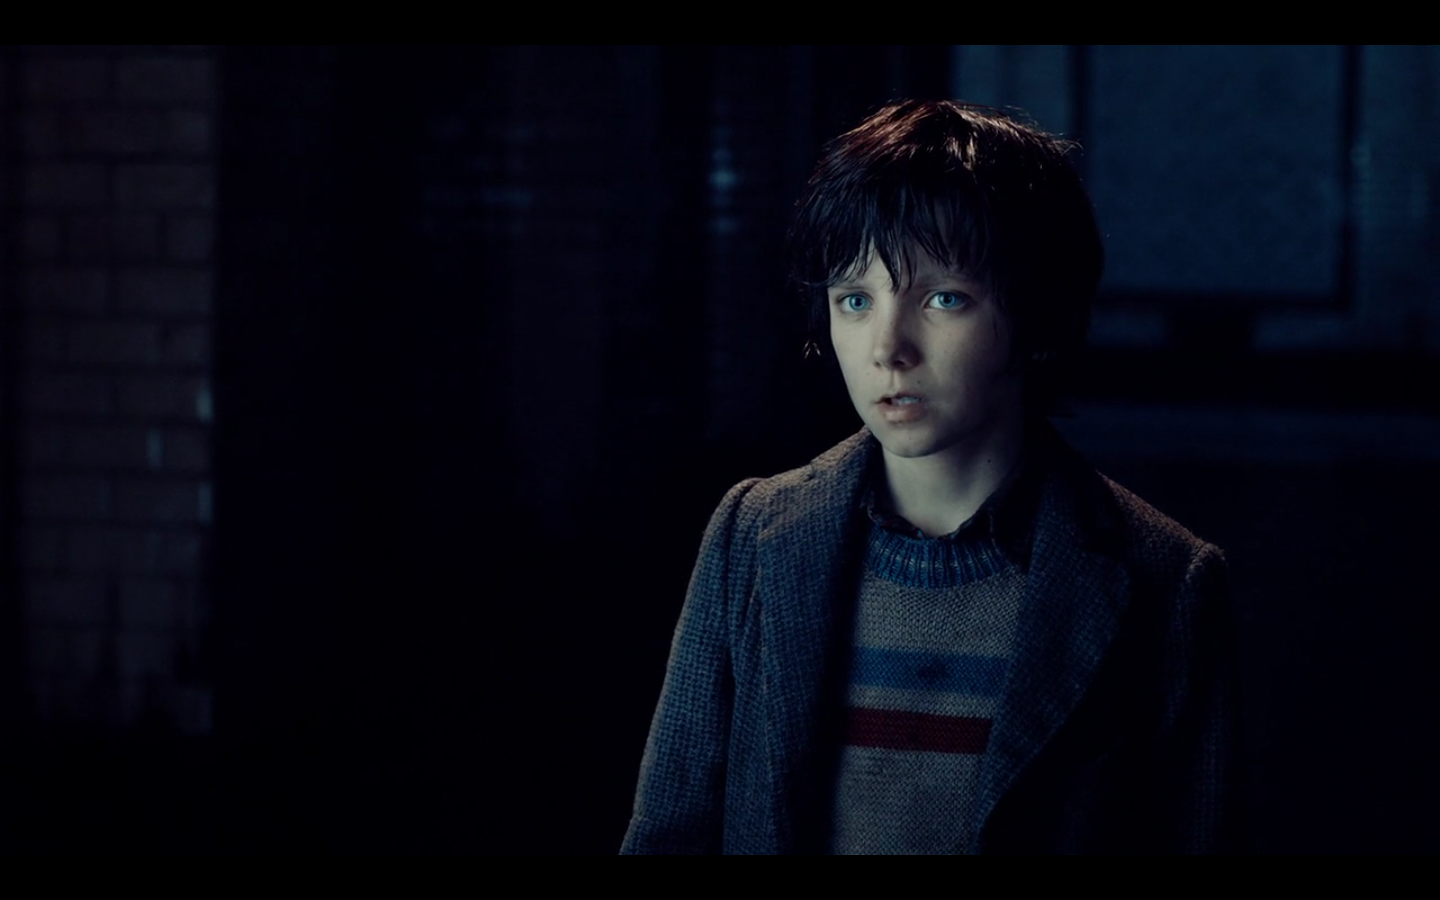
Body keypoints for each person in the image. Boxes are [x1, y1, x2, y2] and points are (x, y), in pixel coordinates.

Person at [621, 100, 1241, 854]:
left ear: (1037, 315)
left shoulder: (1165, 581)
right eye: (855, 300)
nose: (888, 347)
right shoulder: (752, 536)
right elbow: (671, 832)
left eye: (944, 298)